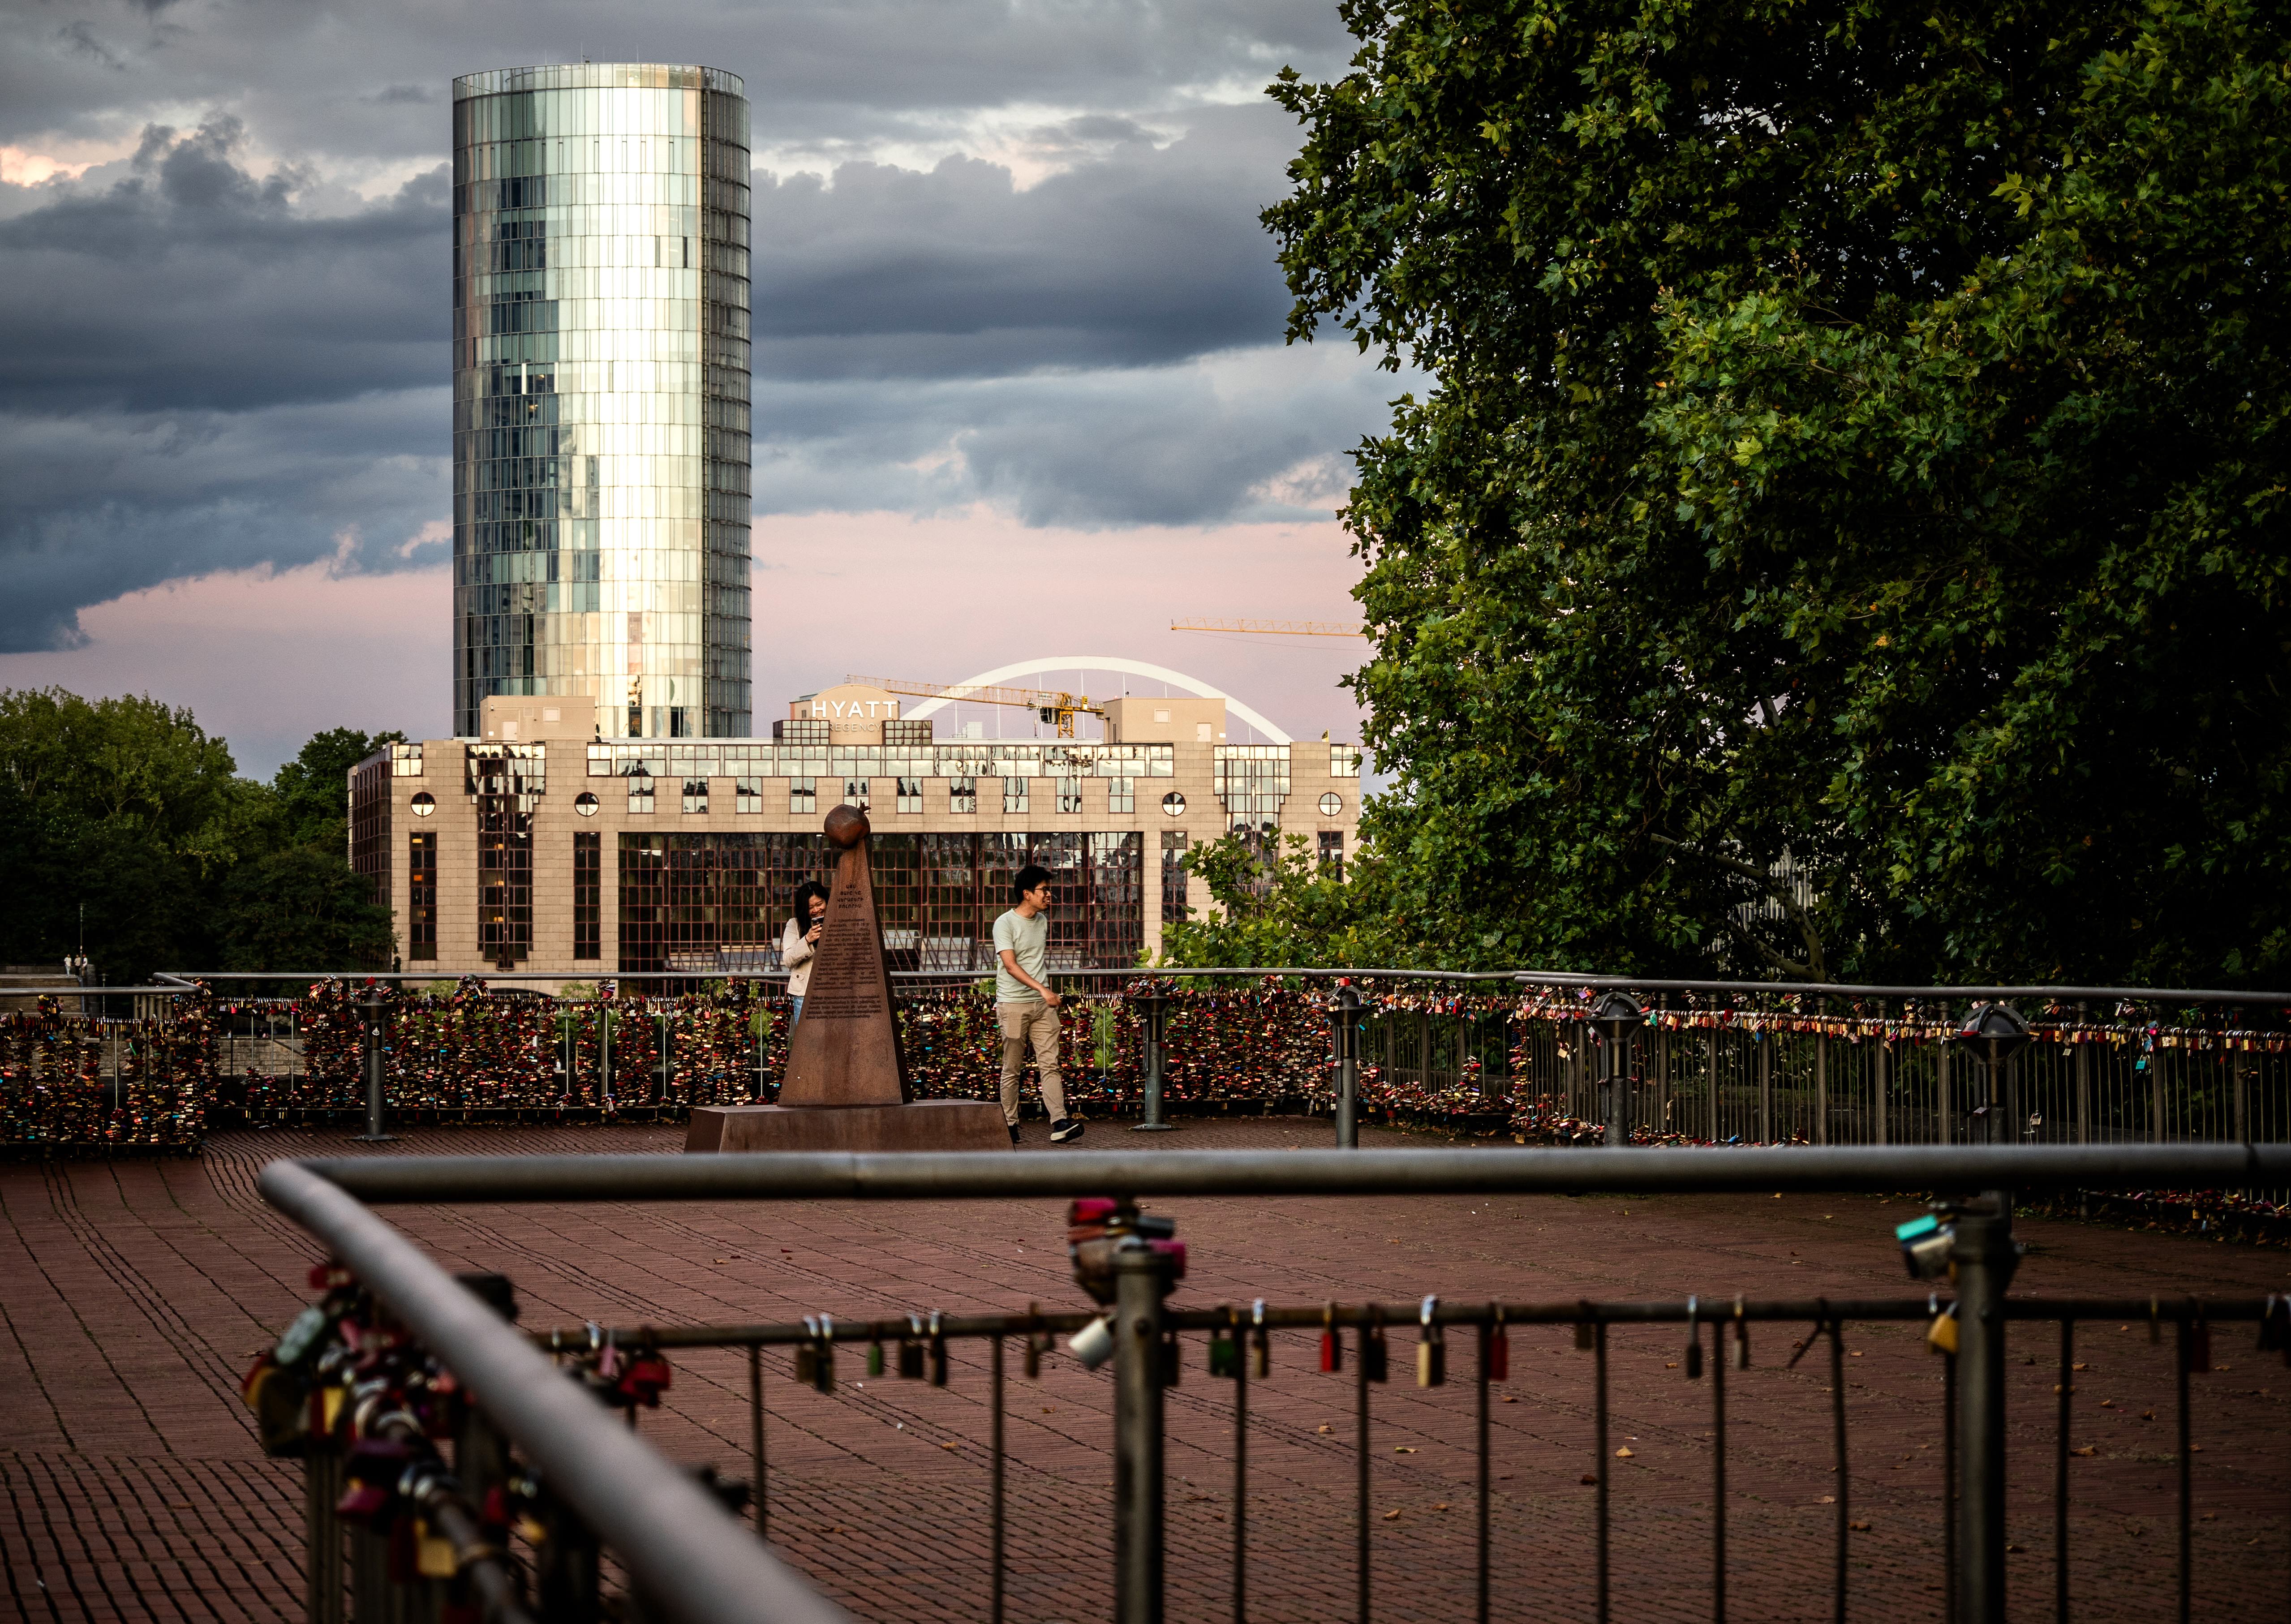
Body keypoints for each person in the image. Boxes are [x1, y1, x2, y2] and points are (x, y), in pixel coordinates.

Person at [994, 864, 1083, 1146]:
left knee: (1050, 1065)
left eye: (1049, 890)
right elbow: (1010, 966)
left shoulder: (1042, 921)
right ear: (1027, 894)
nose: (1049, 895)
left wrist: (1043, 995)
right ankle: (1010, 1125)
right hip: (1013, 1005)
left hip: (1042, 1007)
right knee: (1012, 1068)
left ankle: (1060, 1122)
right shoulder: (1004, 923)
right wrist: (1044, 990)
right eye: (1044, 890)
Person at [781, 881, 830, 1027]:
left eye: (820, 904)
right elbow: (788, 960)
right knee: (807, 1038)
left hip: (835, 992)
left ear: (827, 901)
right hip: (804, 993)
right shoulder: (794, 925)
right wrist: (807, 939)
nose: (817, 910)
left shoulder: (839, 922)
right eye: (810, 907)